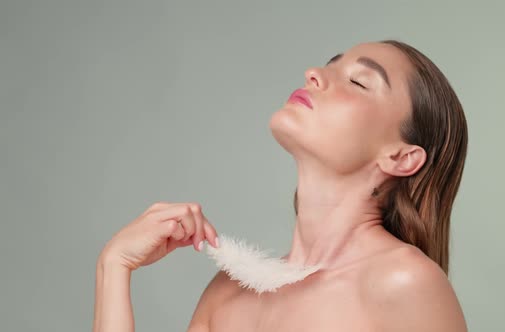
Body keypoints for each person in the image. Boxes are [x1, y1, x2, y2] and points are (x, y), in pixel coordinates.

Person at [93, 39, 469, 332]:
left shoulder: (403, 283)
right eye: (328, 65)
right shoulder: (227, 292)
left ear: (401, 158)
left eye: (358, 81)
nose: (313, 73)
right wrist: (114, 267)